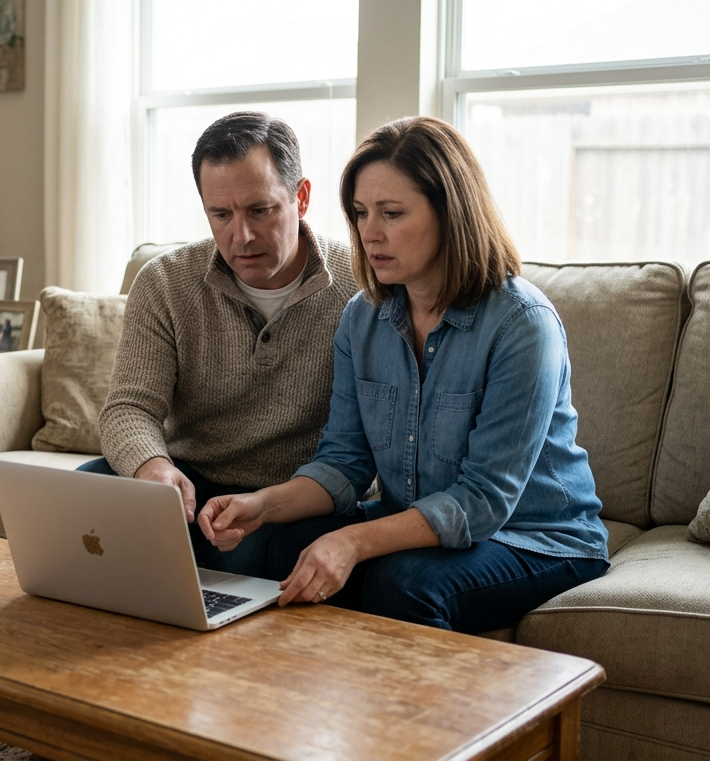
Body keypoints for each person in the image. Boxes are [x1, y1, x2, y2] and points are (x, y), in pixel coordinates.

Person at [197, 116, 609, 632]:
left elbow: (484, 502)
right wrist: (262, 505)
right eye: (362, 213)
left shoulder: (522, 324)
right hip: (426, 526)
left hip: (536, 538)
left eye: (392, 213)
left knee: (404, 581)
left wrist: (349, 540)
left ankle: (413, 715)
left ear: (449, 213)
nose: (370, 234)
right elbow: (344, 463)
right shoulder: (362, 318)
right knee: (279, 545)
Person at [80, 112, 359, 578]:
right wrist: (153, 468)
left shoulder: (361, 286)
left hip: (290, 499)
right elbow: (128, 408)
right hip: (187, 486)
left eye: (260, 210)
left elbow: (358, 451)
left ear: (302, 198)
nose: (241, 236)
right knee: (88, 490)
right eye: (221, 215)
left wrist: (270, 503)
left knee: (259, 553)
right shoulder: (166, 282)